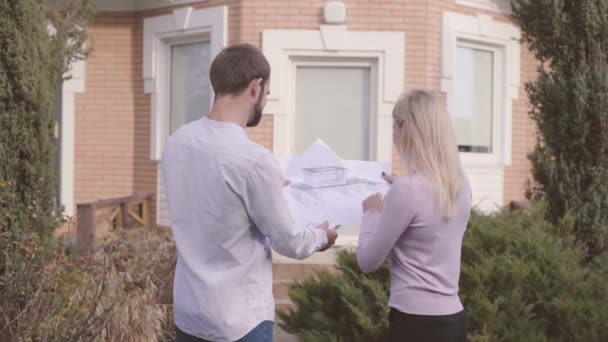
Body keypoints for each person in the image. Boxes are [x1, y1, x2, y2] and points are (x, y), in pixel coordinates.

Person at [161, 43, 338, 342]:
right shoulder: (253, 160)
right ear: (255, 87)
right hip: (239, 322)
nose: (265, 100)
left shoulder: (178, 142)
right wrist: (321, 236)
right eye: (267, 93)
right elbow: (290, 241)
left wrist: (266, 192)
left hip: (190, 314)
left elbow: (212, 199)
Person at [357, 90, 472, 341]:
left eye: (394, 125)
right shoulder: (461, 185)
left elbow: (368, 261)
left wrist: (372, 213)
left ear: (405, 126)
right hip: (454, 321)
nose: (393, 137)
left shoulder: (407, 191)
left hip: (414, 323)